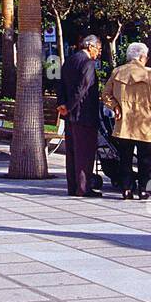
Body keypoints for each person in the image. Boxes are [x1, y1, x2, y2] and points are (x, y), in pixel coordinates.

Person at [100, 42, 151, 200]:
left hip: (124, 123)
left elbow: (105, 94)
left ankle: (126, 189)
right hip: (144, 123)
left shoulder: (117, 71)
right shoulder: (150, 74)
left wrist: (115, 106)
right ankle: (143, 189)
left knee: (125, 158)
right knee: (145, 159)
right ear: (143, 57)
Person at [57, 35, 102, 197]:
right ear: (90, 47)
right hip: (84, 115)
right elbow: (82, 88)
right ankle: (83, 188)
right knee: (85, 153)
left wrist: (62, 104)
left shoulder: (70, 60)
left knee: (72, 153)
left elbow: (60, 83)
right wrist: (69, 106)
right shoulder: (88, 63)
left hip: (70, 116)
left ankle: (73, 186)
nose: (98, 52)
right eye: (98, 48)